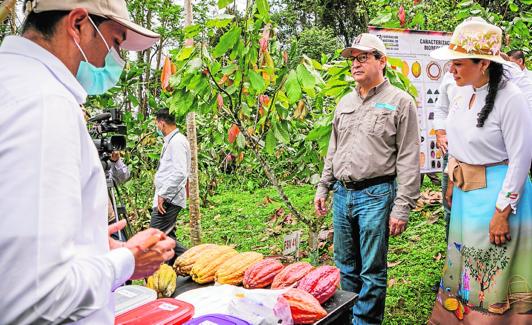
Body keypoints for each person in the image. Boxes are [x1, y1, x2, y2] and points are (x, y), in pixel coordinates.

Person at [0, 1, 176, 323]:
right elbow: (34, 299)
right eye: (116, 42)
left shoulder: (13, 82)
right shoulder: (44, 104)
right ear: (79, 23)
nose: (116, 60)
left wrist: (87, 243)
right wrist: (127, 261)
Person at [428, 19, 532, 324]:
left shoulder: (510, 98)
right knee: (464, 261)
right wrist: (451, 180)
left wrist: (502, 211)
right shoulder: (462, 92)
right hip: (465, 194)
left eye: (459, 64)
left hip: (496, 197)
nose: (452, 71)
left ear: (484, 64)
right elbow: (459, 143)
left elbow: (521, 157)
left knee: (491, 270)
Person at [314, 33, 420, 324]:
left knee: (371, 271)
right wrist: (323, 187)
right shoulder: (345, 102)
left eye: (363, 57)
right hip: (342, 194)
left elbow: (409, 157)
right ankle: (348, 319)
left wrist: (402, 206)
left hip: (376, 194)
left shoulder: (400, 102)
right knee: (345, 266)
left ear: (382, 61)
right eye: (352, 59)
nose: (356, 64)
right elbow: (333, 149)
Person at [152, 108, 191, 264]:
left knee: (155, 237)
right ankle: (181, 270)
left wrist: (164, 194)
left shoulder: (177, 142)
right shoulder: (171, 141)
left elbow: (180, 172)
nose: (157, 128)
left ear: (162, 124)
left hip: (169, 198)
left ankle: (196, 261)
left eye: (156, 124)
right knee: (168, 239)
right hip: (167, 197)